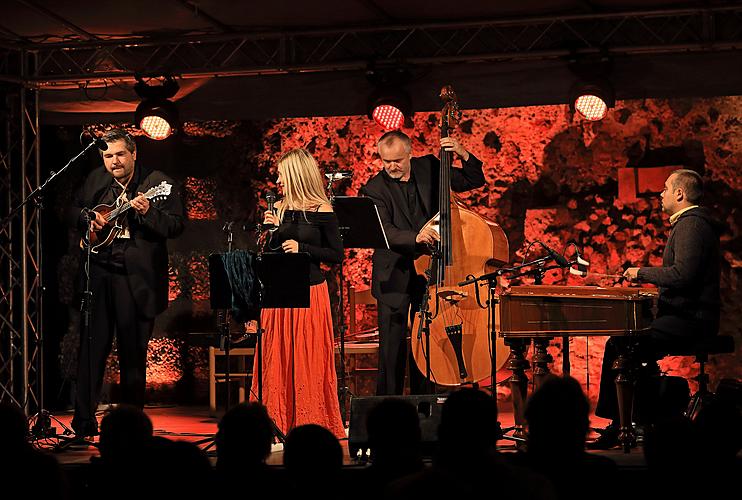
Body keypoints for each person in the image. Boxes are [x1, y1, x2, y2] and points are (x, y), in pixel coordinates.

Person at [589, 168, 722, 449]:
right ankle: (636, 419)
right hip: (688, 316)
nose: (660, 194)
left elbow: (683, 275)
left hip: (692, 320)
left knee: (620, 344)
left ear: (679, 193)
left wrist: (641, 272)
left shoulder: (691, 224)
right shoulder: (690, 223)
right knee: (626, 343)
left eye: (664, 189)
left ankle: (620, 426)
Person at [66, 128, 185, 438]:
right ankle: (83, 423)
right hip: (99, 274)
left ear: (134, 154)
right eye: (107, 156)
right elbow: (70, 210)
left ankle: (132, 429)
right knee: (91, 352)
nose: (114, 161)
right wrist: (88, 219)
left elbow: (176, 225)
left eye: (120, 154)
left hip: (136, 281)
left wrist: (149, 213)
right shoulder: (95, 180)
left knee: (133, 356)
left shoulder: (159, 183)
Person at [360, 130, 486, 395]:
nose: (392, 167)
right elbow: (386, 232)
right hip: (393, 272)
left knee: (425, 342)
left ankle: (424, 405)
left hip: (430, 272)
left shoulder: (429, 166)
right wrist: (415, 237)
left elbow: (473, 180)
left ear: (409, 154)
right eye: (386, 162)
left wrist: (463, 154)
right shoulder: (373, 189)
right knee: (392, 349)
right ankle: (388, 407)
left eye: (397, 161)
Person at [250, 148, 345, 438]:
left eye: (281, 173)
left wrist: (303, 249)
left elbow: (336, 254)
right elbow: (268, 253)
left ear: (294, 174)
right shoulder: (277, 208)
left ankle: (309, 422)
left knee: (307, 356)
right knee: (276, 356)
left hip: (309, 290)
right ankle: (275, 421)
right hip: (279, 291)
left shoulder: (321, 209)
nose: (277, 178)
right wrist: (272, 232)